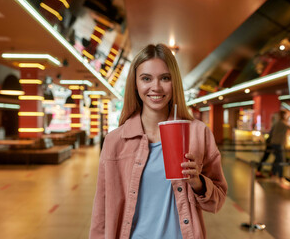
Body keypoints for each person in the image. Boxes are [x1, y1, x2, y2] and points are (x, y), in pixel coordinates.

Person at [89, 44, 227, 239]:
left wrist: (198, 183)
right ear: (135, 84)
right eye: (146, 78)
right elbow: (101, 212)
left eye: (165, 78)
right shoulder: (115, 141)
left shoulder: (197, 134)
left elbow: (217, 201)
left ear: (174, 82)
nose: (156, 87)